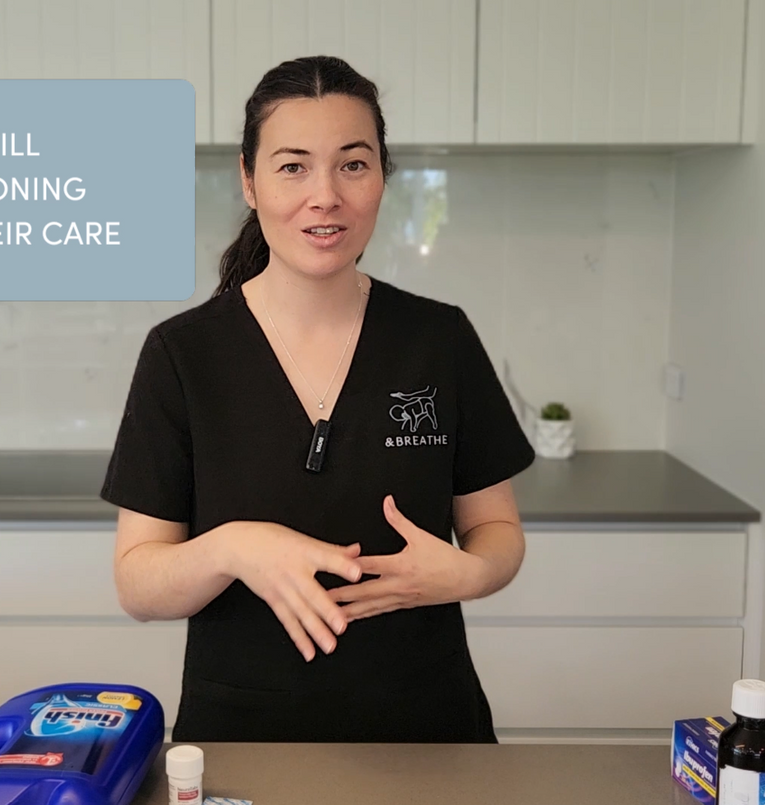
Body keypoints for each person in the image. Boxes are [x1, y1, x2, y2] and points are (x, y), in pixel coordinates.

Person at [100, 55, 535, 743]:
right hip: (243, 739)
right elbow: (138, 585)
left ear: (382, 177)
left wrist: (470, 572)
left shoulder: (437, 338)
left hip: (427, 734)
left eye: (352, 164)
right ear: (248, 179)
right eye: (293, 165)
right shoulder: (183, 355)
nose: (324, 195)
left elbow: (498, 534)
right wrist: (236, 547)